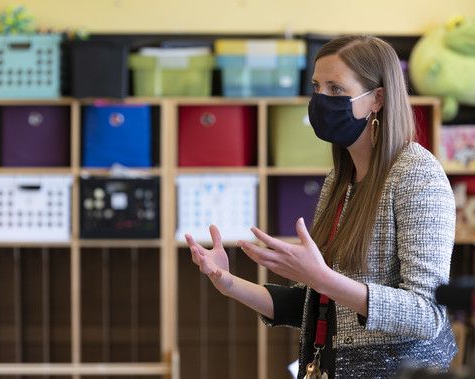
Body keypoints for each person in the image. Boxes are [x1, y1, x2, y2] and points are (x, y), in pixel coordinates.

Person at [185, 34, 458, 379]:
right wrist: (228, 282)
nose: (321, 99)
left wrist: (323, 278)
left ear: (377, 99)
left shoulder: (417, 176)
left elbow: (427, 314)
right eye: (317, 87)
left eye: (336, 89)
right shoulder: (338, 181)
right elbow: (314, 304)